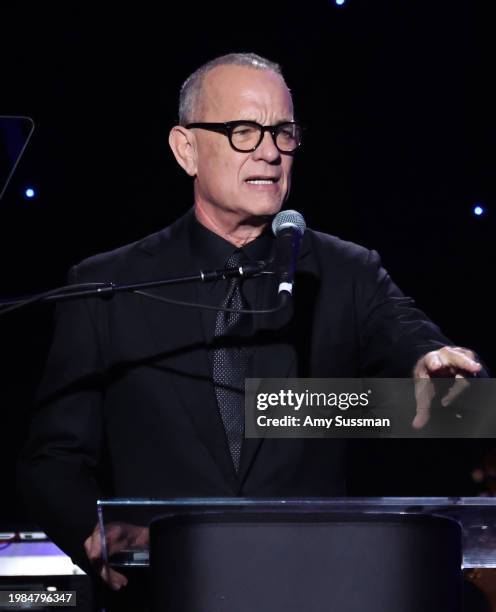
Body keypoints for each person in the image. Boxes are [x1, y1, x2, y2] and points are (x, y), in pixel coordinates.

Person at [18, 52, 484, 605]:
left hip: (315, 592)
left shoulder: (345, 272)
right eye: (243, 131)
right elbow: (53, 460)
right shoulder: (106, 285)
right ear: (185, 149)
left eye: (283, 133)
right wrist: (90, 533)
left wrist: (430, 362)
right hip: (163, 590)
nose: (269, 151)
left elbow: (413, 340)